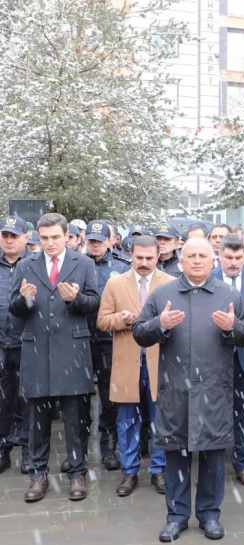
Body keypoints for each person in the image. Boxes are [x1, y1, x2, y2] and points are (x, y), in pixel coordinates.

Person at [132, 238, 244, 542]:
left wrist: (233, 327)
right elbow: (139, 332)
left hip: (215, 389)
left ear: (213, 260)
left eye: (203, 255)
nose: (198, 260)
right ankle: (176, 516)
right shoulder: (163, 294)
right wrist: (159, 325)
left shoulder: (229, 295)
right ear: (181, 261)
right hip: (175, 388)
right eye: (192, 256)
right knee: (176, 452)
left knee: (214, 453)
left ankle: (210, 515)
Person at [10, 213, 100, 503]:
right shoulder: (25, 265)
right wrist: (24, 299)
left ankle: (77, 474)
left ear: (67, 237)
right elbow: (14, 307)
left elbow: (93, 303)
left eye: (55, 237)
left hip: (71, 350)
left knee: (75, 420)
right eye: (44, 238)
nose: (49, 243)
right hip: (36, 350)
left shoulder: (83, 263)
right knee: (36, 419)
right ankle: (38, 475)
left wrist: (76, 300)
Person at [97, 235, 173, 496]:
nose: (143, 263)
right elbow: (102, 320)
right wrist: (121, 318)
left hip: (159, 362)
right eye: (139, 257)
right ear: (131, 254)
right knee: (127, 420)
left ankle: (159, 470)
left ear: (158, 255)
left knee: (159, 419)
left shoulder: (171, 284)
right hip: (126, 363)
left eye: (149, 258)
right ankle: (129, 473)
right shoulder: (115, 283)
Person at [212, 234, 244, 488]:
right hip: (213, 355)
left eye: (238, 257)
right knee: (212, 410)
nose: (233, 263)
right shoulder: (207, 279)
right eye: (228, 257)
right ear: (219, 255)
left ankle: (242, 464)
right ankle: (213, 463)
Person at [84, 220, 131, 471]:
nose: (94, 245)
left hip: (108, 341)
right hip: (79, 340)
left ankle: (108, 445)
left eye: (99, 241)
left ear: (110, 241)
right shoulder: (76, 264)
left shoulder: (121, 267)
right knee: (79, 397)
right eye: (91, 240)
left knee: (109, 397)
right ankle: (79, 448)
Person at [0, 216, 31, 474]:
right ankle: (3, 447)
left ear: (25, 238)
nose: (9, 241)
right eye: (5, 236)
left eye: (14, 236)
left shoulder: (34, 264)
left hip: (27, 344)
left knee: (28, 399)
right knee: (2, 400)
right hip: (0, 344)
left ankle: (30, 449)